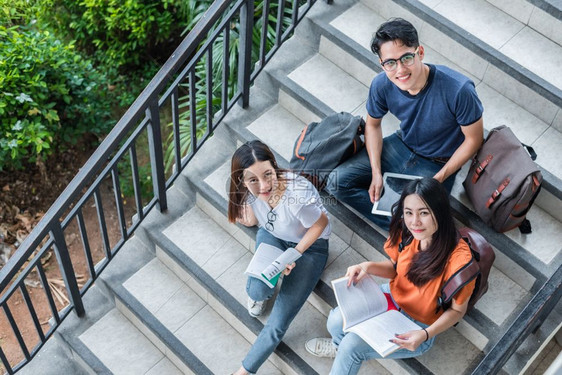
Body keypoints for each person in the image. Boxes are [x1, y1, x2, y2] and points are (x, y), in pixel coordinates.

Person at [325, 18, 484, 230]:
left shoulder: (458, 89)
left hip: (438, 162)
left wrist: (438, 179)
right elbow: (372, 125)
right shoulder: (381, 84)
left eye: (406, 58)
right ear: (382, 64)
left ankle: (408, 226)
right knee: (336, 182)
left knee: (426, 214)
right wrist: (375, 172)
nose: (400, 70)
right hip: (401, 144)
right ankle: (399, 227)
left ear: (420, 53)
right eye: (390, 63)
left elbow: (474, 140)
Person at [305, 177, 476, 374]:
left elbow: (457, 311)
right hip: (392, 297)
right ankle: (339, 347)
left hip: (418, 324)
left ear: (439, 212)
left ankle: (346, 351)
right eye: (409, 212)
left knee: (352, 346)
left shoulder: (459, 261)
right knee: (335, 320)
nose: (415, 222)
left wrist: (425, 334)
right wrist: (367, 266)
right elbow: (396, 268)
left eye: (424, 213)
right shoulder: (406, 231)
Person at [227, 140, 331, 375]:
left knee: (278, 321)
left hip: (310, 246)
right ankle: (262, 290)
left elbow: (322, 223)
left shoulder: (296, 195)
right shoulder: (249, 190)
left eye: (268, 175)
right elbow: (254, 220)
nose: (264, 186)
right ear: (242, 180)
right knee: (256, 291)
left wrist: (294, 255)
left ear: (275, 167)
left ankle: (244, 372)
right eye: (253, 179)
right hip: (273, 235)